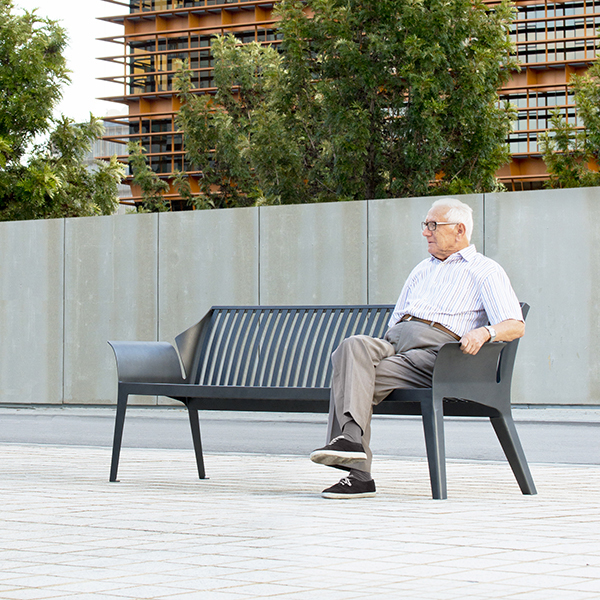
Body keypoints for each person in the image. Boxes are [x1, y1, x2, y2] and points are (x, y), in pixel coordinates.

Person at [310, 197, 525, 498]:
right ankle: (351, 443)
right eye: (425, 225)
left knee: (351, 380)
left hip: (439, 356)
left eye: (433, 225)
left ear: (460, 230)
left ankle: (358, 474)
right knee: (352, 348)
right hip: (397, 344)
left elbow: (515, 324)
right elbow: (396, 320)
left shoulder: (485, 271)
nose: (426, 232)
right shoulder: (421, 270)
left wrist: (485, 332)